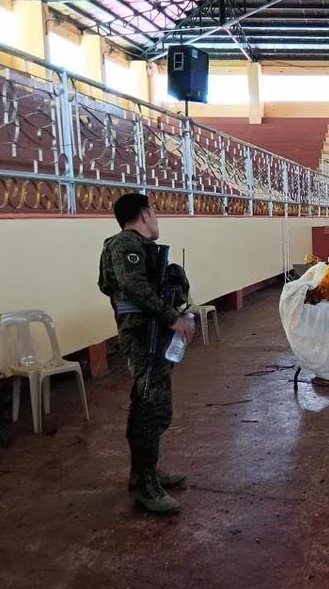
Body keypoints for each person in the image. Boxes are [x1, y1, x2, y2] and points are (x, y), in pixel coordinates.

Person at [98, 193, 195, 514]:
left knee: (150, 405)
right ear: (144, 214)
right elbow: (134, 287)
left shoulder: (134, 246)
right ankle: (144, 484)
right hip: (143, 336)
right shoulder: (126, 245)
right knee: (150, 406)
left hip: (151, 333)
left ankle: (145, 472)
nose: (157, 218)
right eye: (154, 212)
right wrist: (172, 318)